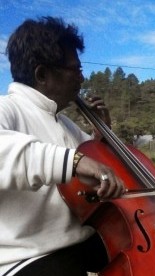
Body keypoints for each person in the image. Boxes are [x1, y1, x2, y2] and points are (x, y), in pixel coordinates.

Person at [0, 16, 125, 275]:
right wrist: (75, 161)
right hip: (30, 255)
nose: (82, 78)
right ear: (42, 74)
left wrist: (101, 139)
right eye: (76, 70)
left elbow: (99, 171)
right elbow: (72, 162)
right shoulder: (7, 109)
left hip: (84, 240)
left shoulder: (65, 123)